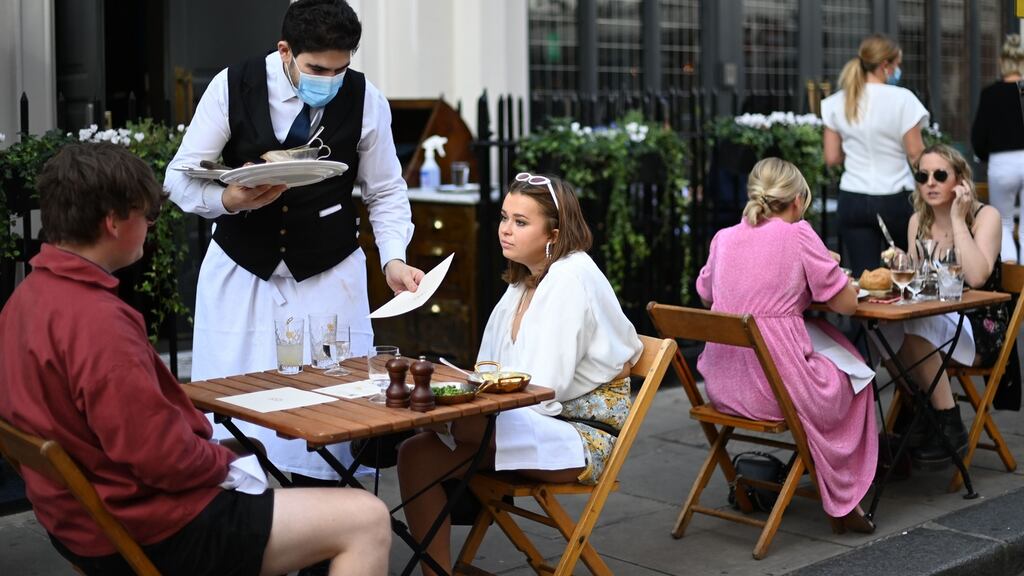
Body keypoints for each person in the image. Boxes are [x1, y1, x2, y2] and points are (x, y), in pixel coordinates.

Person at [0, 143, 391, 576]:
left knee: (252, 455)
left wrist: (221, 452)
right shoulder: (96, 322)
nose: (150, 227)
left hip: (81, 521)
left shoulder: (25, 300)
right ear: (113, 222)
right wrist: (220, 460)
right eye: (147, 216)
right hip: (154, 527)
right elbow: (158, 458)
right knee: (367, 517)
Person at [164, 0, 423, 485]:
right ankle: (243, 520)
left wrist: (392, 259)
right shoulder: (231, 85)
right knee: (236, 407)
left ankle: (326, 522)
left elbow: (386, 189)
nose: (330, 78)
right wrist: (232, 199)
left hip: (329, 274)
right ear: (285, 51)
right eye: (317, 68)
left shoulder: (367, 99)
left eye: (341, 69)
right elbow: (178, 180)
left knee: (331, 406)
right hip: (242, 274)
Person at [396, 173, 643, 575]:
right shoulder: (526, 279)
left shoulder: (570, 278)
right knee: (415, 453)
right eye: (504, 217)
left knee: (434, 417)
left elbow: (545, 385)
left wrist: (463, 395)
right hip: (531, 417)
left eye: (521, 222)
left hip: (581, 433)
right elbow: (488, 367)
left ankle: (390, 429)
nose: (505, 230)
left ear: (555, 232)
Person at [696, 158, 877, 532]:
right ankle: (845, 487)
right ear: (797, 200)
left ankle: (829, 476)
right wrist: (829, 268)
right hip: (774, 390)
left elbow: (704, 294)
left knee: (833, 352)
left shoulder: (724, 237)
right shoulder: (798, 234)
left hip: (724, 387)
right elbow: (846, 304)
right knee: (857, 376)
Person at [880, 144, 1007, 464]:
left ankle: (949, 423)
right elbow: (918, 288)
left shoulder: (985, 216)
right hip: (934, 320)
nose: (931, 183)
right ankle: (923, 410)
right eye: (923, 176)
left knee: (914, 323)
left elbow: (977, 276)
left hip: (980, 327)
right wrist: (902, 265)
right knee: (880, 327)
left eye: (940, 175)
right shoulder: (917, 222)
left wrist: (957, 219)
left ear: (960, 180)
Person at [821, 33, 929, 277]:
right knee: (907, 272)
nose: (898, 69)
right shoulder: (902, 99)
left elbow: (831, 157)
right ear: (885, 66)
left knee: (864, 278)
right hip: (895, 197)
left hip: (853, 197)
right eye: (897, 64)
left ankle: (865, 317)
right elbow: (915, 154)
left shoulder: (837, 101)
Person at [971, 33, 1024, 263]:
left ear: (1002, 62)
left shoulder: (990, 93)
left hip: (1001, 163)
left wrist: (985, 156)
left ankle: (1013, 286)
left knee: (1002, 222)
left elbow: (978, 136)